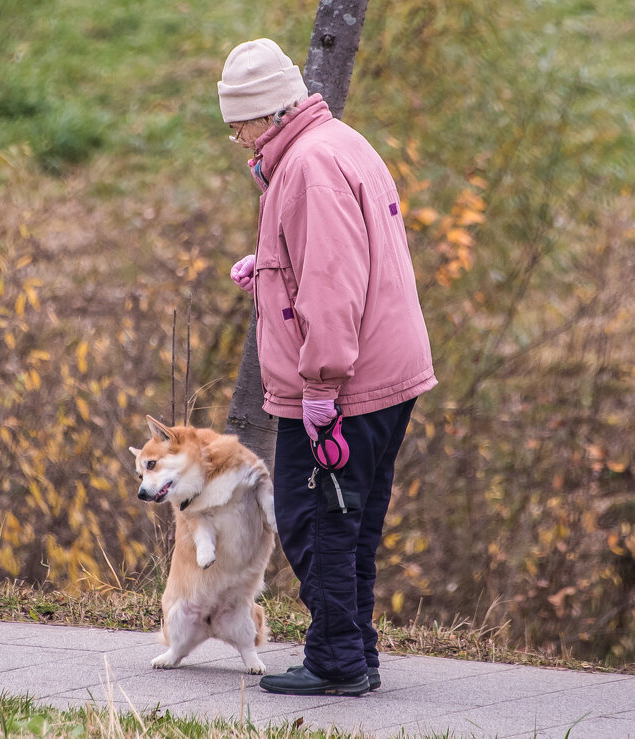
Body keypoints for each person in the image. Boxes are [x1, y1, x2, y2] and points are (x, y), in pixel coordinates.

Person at [218, 38, 437, 696]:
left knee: (314, 518)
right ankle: (352, 650)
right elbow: (339, 257)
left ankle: (339, 657)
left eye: (240, 126)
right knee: (351, 519)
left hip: (348, 379)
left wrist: (320, 387)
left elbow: (334, 286)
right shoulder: (338, 141)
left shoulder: (308, 166)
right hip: (386, 369)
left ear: (267, 114)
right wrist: (269, 274)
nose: (238, 141)